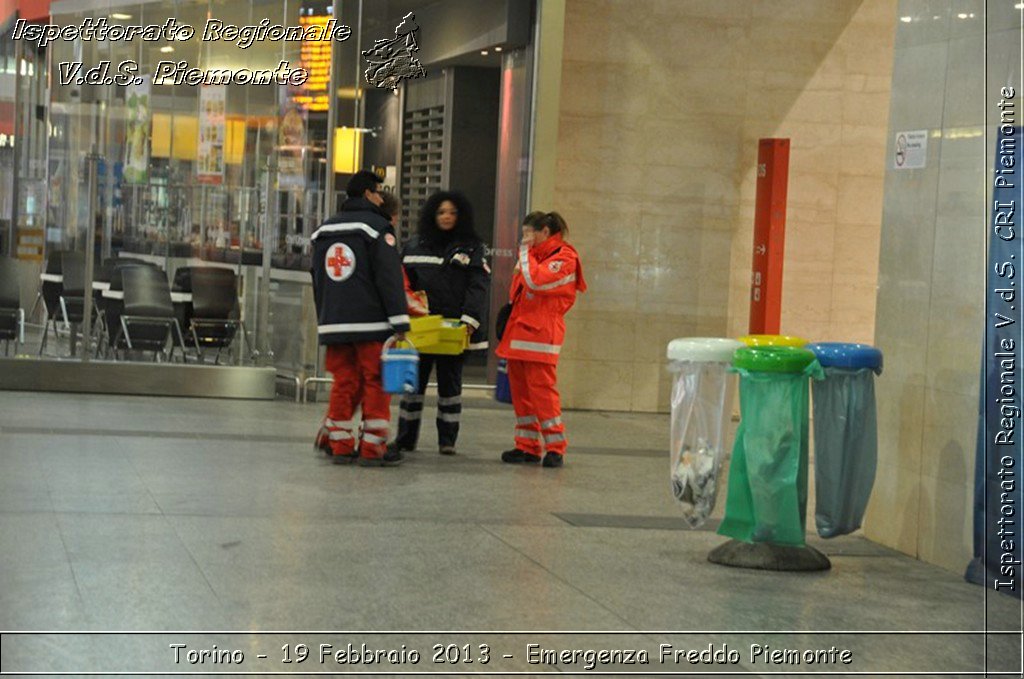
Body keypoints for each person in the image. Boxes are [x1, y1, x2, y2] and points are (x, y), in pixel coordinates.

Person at [310, 170, 410, 467]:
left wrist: (325, 318)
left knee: (344, 382)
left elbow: (317, 278)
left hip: (335, 321)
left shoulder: (323, 230)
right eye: (378, 192)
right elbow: (389, 279)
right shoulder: (378, 228)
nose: (381, 197)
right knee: (376, 382)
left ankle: (340, 445)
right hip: (371, 323)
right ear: (368, 194)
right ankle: (372, 449)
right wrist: (400, 321)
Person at [393, 190, 490, 455]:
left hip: (454, 331)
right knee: (412, 387)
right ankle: (405, 438)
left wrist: (470, 320)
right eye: (441, 212)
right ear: (432, 215)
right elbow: (403, 284)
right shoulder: (413, 245)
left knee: (450, 387)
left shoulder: (472, 247)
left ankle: (447, 441)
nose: (447, 217)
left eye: (452, 212)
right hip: (421, 328)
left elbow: (478, 286)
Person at [495, 211, 586, 468]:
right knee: (521, 395)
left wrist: (523, 254)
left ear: (545, 231)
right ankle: (528, 446)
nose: (524, 239)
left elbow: (536, 282)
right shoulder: (534, 257)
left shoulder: (564, 257)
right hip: (518, 334)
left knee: (543, 394)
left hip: (541, 335)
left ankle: (555, 447)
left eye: (528, 233)